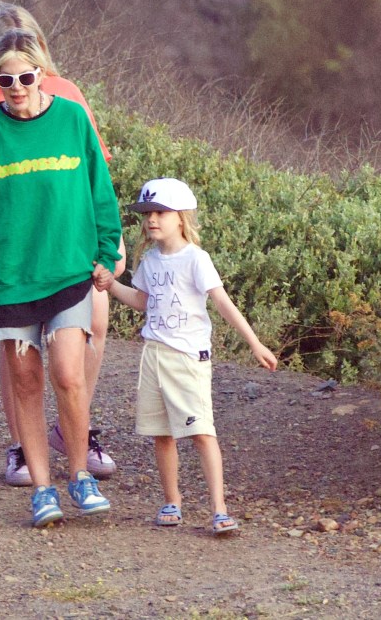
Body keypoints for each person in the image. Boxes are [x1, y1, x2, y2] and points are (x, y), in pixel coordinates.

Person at [0, 29, 122, 527]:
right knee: (25, 380)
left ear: (42, 74)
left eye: (25, 76)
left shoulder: (73, 119)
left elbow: (100, 190)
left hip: (68, 271)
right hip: (10, 279)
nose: (16, 87)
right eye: (5, 79)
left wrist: (108, 251)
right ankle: (43, 487)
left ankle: (78, 474)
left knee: (68, 374)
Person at [94, 178, 278, 534]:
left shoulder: (196, 258)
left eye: (161, 212)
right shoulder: (149, 260)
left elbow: (222, 302)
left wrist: (255, 343)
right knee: (161, 433)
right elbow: (142, 302)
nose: (152, 220)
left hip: (188, 357)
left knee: (201, 432)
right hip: (154, 355)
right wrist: (109, 285)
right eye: (147, 213)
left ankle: (219, 508)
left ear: (181, 217)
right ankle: (171, 500)